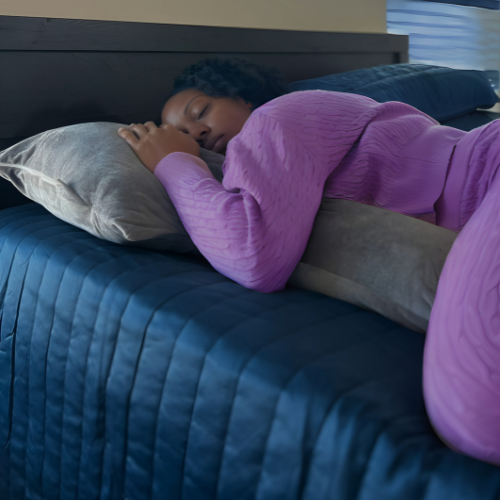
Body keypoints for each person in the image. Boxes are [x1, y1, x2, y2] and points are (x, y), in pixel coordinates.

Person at [118, 57, 500, 466]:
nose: (196, 131)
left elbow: (253, 253)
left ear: (243, 98)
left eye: (200, 111)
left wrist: (172, 162)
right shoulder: (274, 152)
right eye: (182, 134)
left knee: (477, 412)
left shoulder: (277, 115)